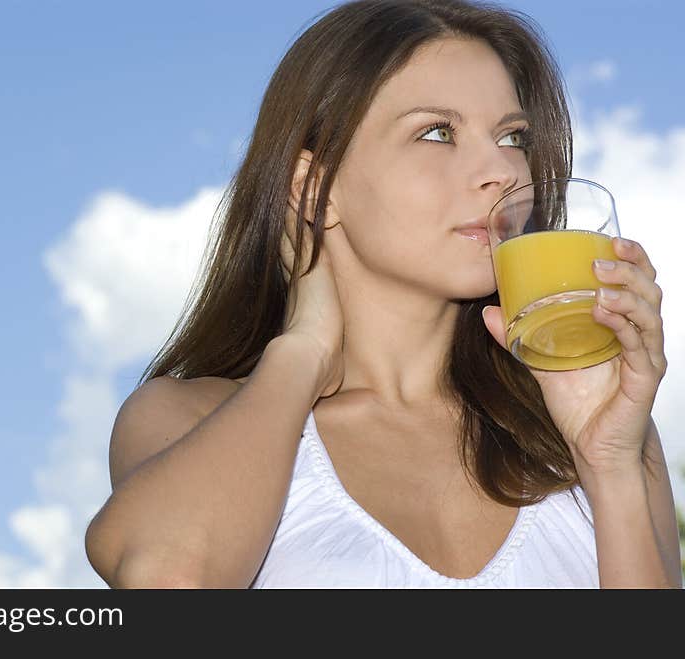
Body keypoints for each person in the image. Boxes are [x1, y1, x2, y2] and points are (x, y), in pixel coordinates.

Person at [84, 0, 681, 588]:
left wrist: (610, 466)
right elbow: (169, 582)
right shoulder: (188, 418)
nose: (502, 170)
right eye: (438, 132)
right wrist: (307, 349)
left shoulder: (595, 433)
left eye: (512, 137)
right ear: (313, 187)